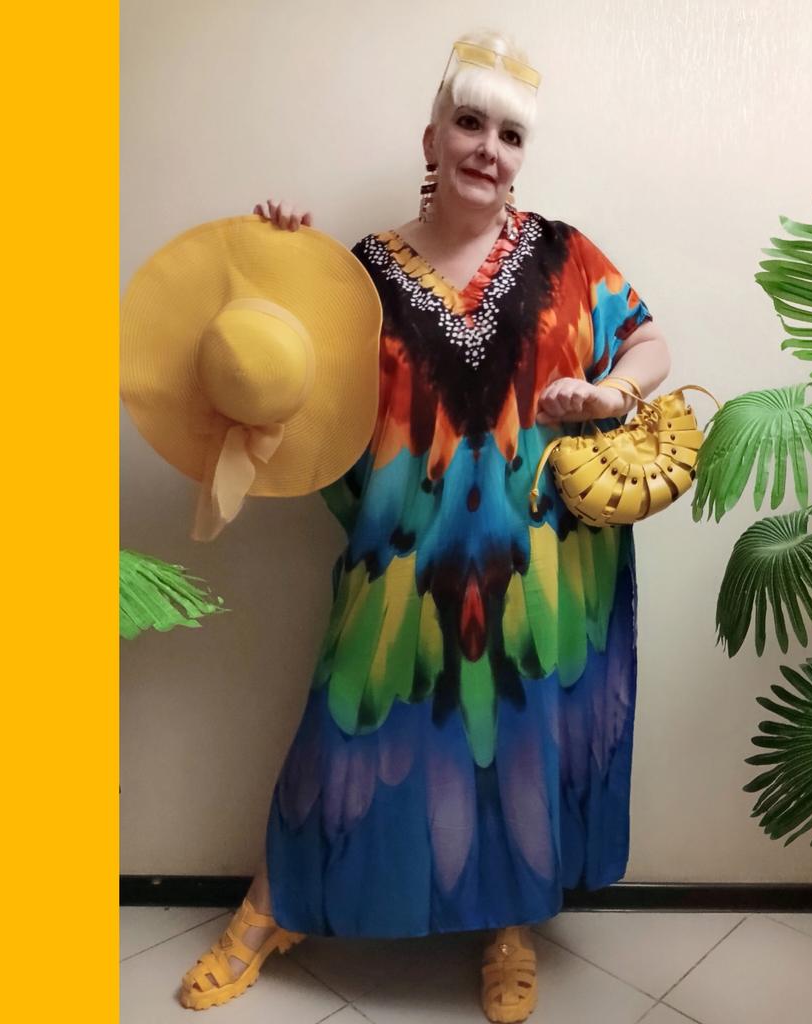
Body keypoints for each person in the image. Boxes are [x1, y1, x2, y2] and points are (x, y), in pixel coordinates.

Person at [179, 28, 671, 1023]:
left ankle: (510, 927)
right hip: (401, 554)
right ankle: (271, 910)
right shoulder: (360, 270)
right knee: (345, 719)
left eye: (510, 135)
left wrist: (607, 392)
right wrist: (281, 268)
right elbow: (285, 378)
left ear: (522, 155)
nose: (489, 148)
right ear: (433, 136)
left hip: (535, 557)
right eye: (470, 123)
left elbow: (649, 340)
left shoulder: (564, 254)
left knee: (520, 740)